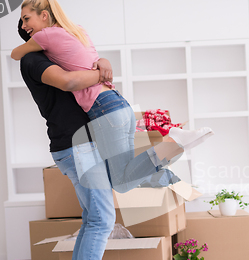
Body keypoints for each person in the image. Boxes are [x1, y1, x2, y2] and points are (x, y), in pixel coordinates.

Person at [12, 0, 214, 194]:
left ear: (44, 15)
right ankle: (165, 169)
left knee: (120, 182)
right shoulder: (77, 30)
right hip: (118, 105)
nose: (24, 25)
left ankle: (174, 144)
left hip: (102, 110)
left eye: (26, 19)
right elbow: (91, 59)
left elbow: (15, 53)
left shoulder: (45, 36)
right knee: (125, 172)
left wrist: (34, 41)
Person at [16, 19, 120, 260]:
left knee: (93, 219)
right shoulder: (32, 60)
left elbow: (81, 67)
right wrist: (102, 71)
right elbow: (70, 82)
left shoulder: (55, 55)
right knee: (102, 218)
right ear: (30, 33)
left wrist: (102, 61)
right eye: (28, 21)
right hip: (76, 147)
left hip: (82, 145)